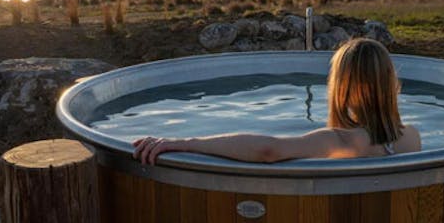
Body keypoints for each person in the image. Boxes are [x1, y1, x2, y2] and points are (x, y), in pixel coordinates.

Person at [133, 38, 421, 164]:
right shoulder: (411, 137)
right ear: (389, 82)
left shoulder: (340, 141)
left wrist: (184, 143)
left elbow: (269, 150)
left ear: (342, 87)